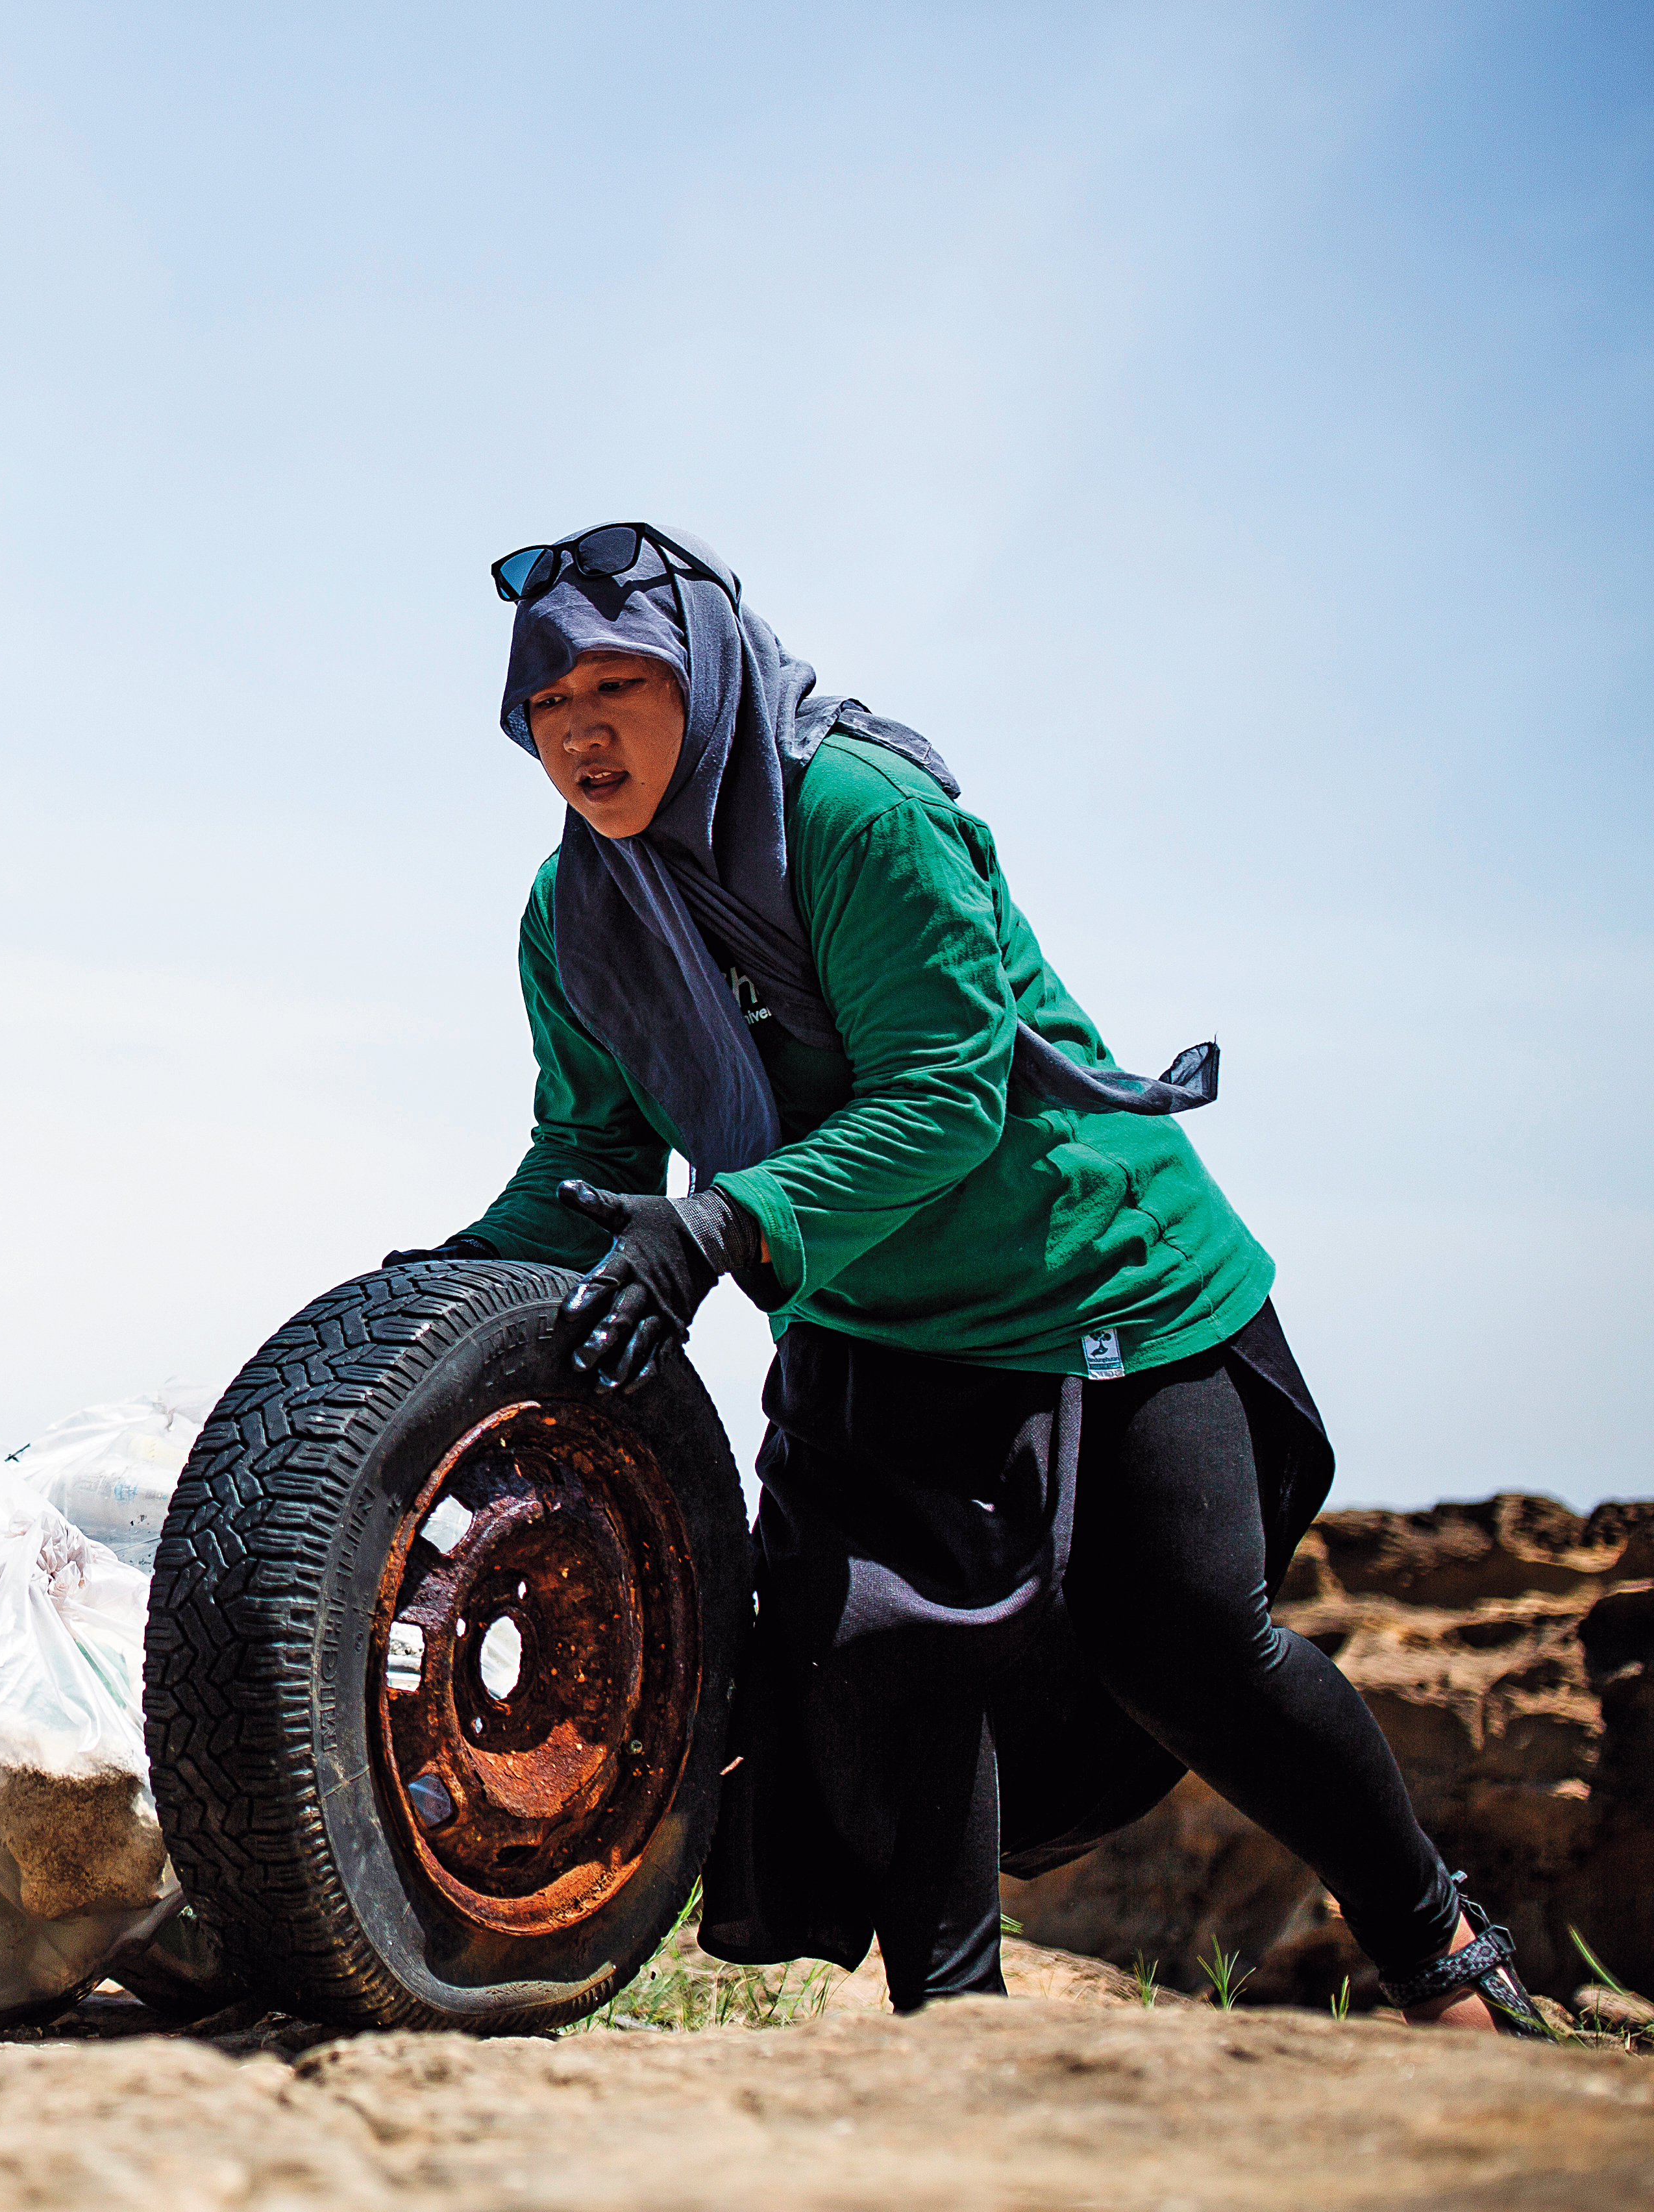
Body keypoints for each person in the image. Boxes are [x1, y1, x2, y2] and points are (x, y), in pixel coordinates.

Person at [391, 519, 1548, 2034]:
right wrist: (442, 1294)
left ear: (711, 675)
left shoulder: (860, 817)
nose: (582, 732)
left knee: (1192, 1644)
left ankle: (1442, 1950)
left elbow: (948, 1096)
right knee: (880, 1660)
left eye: (620, 683)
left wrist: (722, 1227)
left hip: (1098, 1289)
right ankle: (957, 2028)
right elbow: (584, 1152)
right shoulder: (576, 916)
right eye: (547, 708)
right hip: (866, 1310)